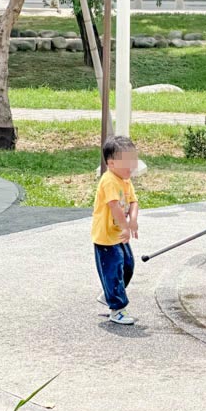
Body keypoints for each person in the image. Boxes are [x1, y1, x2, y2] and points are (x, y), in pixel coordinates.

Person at [93, 135, 140, 325]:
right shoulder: (109, 181)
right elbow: (115, 206)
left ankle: (109, 294)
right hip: (106, 237)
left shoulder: (125, 179)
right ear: (111, 163)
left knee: (128, 265)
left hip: (120, 234)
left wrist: (133, 221)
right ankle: (117, 309)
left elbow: (133, 202)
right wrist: (126, 227)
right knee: (114, 269)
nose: (132, 165)